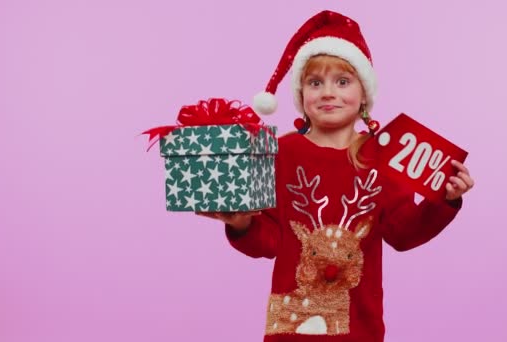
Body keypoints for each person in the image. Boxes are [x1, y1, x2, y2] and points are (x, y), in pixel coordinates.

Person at [197, 10, 474, 341]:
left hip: (359, 327)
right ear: (301, 95)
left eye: (342, 82)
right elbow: (269, 240)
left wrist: (445, 200)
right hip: (291, 328)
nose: (328, 93)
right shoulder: (277, 153)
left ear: (363, 94)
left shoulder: (383, 157)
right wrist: (241, 223)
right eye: (316, 83)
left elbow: (402, 232)